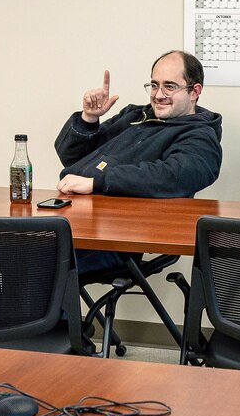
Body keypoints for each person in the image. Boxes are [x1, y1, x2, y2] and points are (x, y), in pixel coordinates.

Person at [53, 49, 223, 275]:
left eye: (169, 86)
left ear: (195, 91)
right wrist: (89, 119)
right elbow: (72, 157)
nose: (158, 94)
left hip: (118, 239)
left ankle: (40, 311)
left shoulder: (199, 134)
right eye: (154, 85)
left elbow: (175, 175)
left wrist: (97, 182)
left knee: (33, 263)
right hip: (76, 221)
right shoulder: (134, 116)